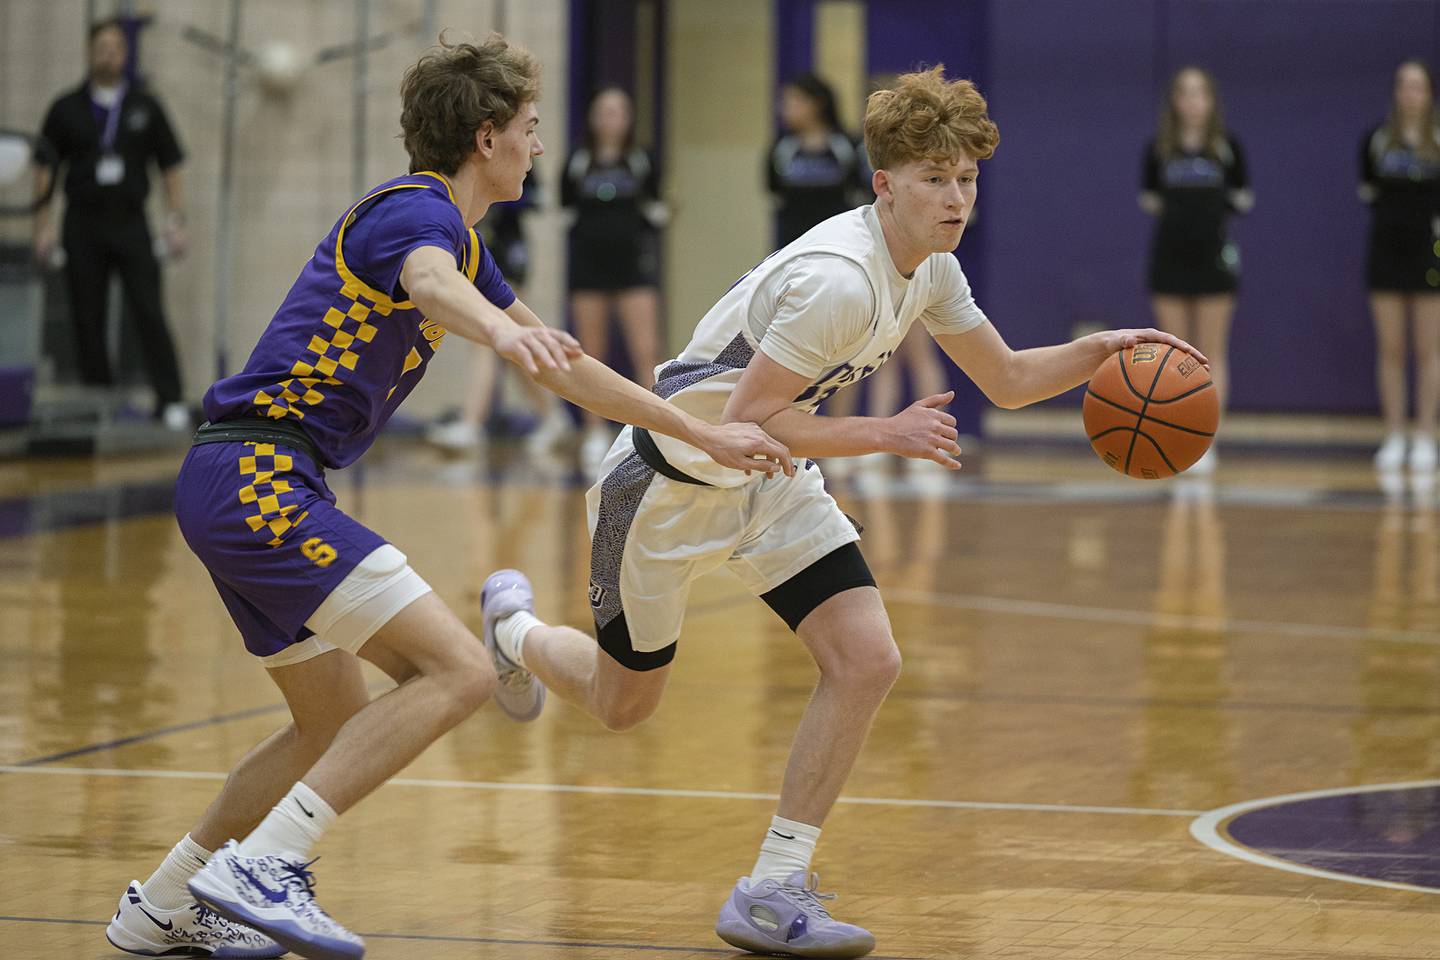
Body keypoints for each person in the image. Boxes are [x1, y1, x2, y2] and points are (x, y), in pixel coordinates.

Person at [479, 66, 1205, 959]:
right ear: (885, 185)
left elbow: (1008, 380)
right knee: (624, 706)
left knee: (867, 660)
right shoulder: (838, 279)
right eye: (935, 179)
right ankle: (513, 633)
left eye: (968, 178)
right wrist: (884, 433)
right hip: (668, 486)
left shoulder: (931, 268)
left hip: (774, 480)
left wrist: (1100, 351)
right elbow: (739, 423)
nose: (956, 198)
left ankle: (772, 887)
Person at [101, 34, 790, 960]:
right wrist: (499, 340)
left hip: (242, 483)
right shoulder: (410, 217)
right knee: (461, 672)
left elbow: (568, 364)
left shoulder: (462, 239)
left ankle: (167, 902)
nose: (539, 146)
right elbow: (432, 286)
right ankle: (269, 864)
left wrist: (696, 430)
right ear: (486, 136)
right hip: (256, 476)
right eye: (531, 130)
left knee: (331, 723)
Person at [33, 18, 190, 430]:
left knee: (148, 309)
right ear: (89, 52)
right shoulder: (65, 107)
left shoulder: (145, 106)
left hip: (131, 222)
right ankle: (97, 401)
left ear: (125, 53)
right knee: (87, 314)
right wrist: (42, 225)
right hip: (82, 224)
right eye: (100, 46)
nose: (108, 53)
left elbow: (170, 165)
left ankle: (169, 398)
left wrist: (175, 221)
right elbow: (45, 169)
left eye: (115, 47)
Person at [1139, 66, 1251, 475]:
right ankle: (1176, 435)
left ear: (1211, 101)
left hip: (1213, 258)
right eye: (1183, 92)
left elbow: (1241, 198)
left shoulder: (1226, 149)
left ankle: (1207, 440)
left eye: (1199, 92)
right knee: (1174, 354)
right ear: (1174, 101)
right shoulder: (1159, 150)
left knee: (1210, 352)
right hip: (1169, 258)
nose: (1191, 101)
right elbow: (1151, 201)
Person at [425, 168, 573, 454]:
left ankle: (472, 423)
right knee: (512, 345)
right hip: (476, 243)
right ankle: (552, 417)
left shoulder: (516, 150)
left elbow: (535, 197)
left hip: (506, 248)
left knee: (487, 336)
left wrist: (495, 196)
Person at [562, 87, 666, 473]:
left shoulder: (640, 161)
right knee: (589, 350)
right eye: (603, 111)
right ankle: (593, 431)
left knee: (646, 348)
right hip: (588, 267)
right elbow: (566, 209)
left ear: (629, 118)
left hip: (633, 266)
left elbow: (656, 209)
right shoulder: (579, 161)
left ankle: (650, 430)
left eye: (618, 111)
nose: (610, 118)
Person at [1364, 59, 1440, 473]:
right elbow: (1370, 195)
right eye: (1404, 85)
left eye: (1418, 86)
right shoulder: (1377, 142)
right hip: (1386, 252)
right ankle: (1394, 433)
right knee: (1391, 348)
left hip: (1430, 253)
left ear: (1429, 93)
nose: (1411, 93)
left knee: (1427, 349)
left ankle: (1425, 435)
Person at [767, 73, 869, 249]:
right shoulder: (782, 147)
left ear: (817, 104)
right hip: (791, 242)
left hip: (837, 241)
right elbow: (773, 187)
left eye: (794, 101)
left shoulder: (845, 145)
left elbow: (859, 187)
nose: (785, 108)